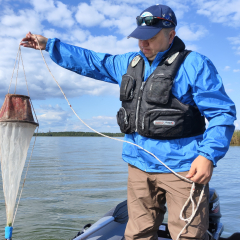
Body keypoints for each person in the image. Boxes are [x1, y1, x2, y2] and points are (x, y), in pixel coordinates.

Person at [21, 4, 236, 240]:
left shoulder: (196, 64)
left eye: (151, 38)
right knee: (137, 234)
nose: (143, 44)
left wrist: (207, 155)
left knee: (188, 236)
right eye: (139, 38)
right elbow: (93, 61)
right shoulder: (129, 62)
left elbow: (222, 113)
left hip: (183, 168)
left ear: (171, 34)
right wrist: (49, 45)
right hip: (138, 165)